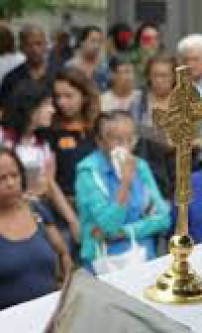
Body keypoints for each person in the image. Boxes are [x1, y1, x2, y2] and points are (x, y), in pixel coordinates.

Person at [75, 111, 171, 270]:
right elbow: (109, 226)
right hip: (105, 262)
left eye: (131, 139)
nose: (126, 146)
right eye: (118, 140)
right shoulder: (88, 172)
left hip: (143, 256)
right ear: (100, 141)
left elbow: (163, 219)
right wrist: (125, 183)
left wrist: (125, 232)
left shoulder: (139, 166)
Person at [1, 81, 80, 244]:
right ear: (30, 108)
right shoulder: (3, 137)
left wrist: (73, 221)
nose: (53, 110)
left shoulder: (43, 145)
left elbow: (49, 185)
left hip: (34, 213)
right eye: (46, 105)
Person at [0, 148, 72, 309]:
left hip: (50, 316)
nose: (10, 183)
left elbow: (63, 253)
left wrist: (66, 291)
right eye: (1, 179)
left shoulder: (36, 210)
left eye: (14, 175)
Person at [131, 54, 176, 200]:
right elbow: (131, 129)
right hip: (145, 164)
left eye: (164, 76)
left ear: (174, 77)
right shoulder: (138, 100)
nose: (159, 80)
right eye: (154, 75)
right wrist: (160, 136)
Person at [51, 67, 98, 198]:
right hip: (66, 200)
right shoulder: (51, 130)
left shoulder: (99, 125)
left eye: (68, 96)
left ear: (84, 96)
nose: (61, 102)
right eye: (57, 96)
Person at [0, 24, 58, 115]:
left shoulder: (60, 74)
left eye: (38, 43)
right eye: (28, 45)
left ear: (46, 45)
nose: (34, 49)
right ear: (21, 48)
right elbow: (5, 110)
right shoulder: (11, 79)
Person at [66, 25, 109, 92]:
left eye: (100, 42)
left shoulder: (105, 66)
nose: (97, 46)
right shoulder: (70, 66)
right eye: (93, 41)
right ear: (82, 42)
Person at [131, 22, 162, 87]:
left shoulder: (167, 65)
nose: (153, 43)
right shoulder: (130, 67)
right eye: (147, 39)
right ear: (139, 42)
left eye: (156, 38)